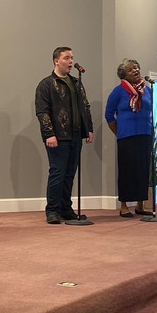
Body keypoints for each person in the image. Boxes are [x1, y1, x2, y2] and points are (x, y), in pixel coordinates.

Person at [35, 47, 93, 224]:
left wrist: (88, 129)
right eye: (66, 58)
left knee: (69, 174)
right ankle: (52, 210)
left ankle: (66, 209)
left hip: (75, 135)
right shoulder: (46, 84)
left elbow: (85, 106)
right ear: (56, 61)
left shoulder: (76, 83)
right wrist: (49, 134)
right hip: (57, 136)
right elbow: (42, 112)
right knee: (57, 173)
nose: (70, 61)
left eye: (72, 58)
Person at [105, 58, 153, 218]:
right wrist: (119, 132)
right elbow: (109, 115)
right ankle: (124, 206)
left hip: (145, 135)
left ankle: (140, 205)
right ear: (123, 74)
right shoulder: (118, 91)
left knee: (143, 170)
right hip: (126, 137)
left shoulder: (147, 90)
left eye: (137, 67)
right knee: (127, 171)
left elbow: (150, 111)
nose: (136, 70)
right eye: (131, 69)